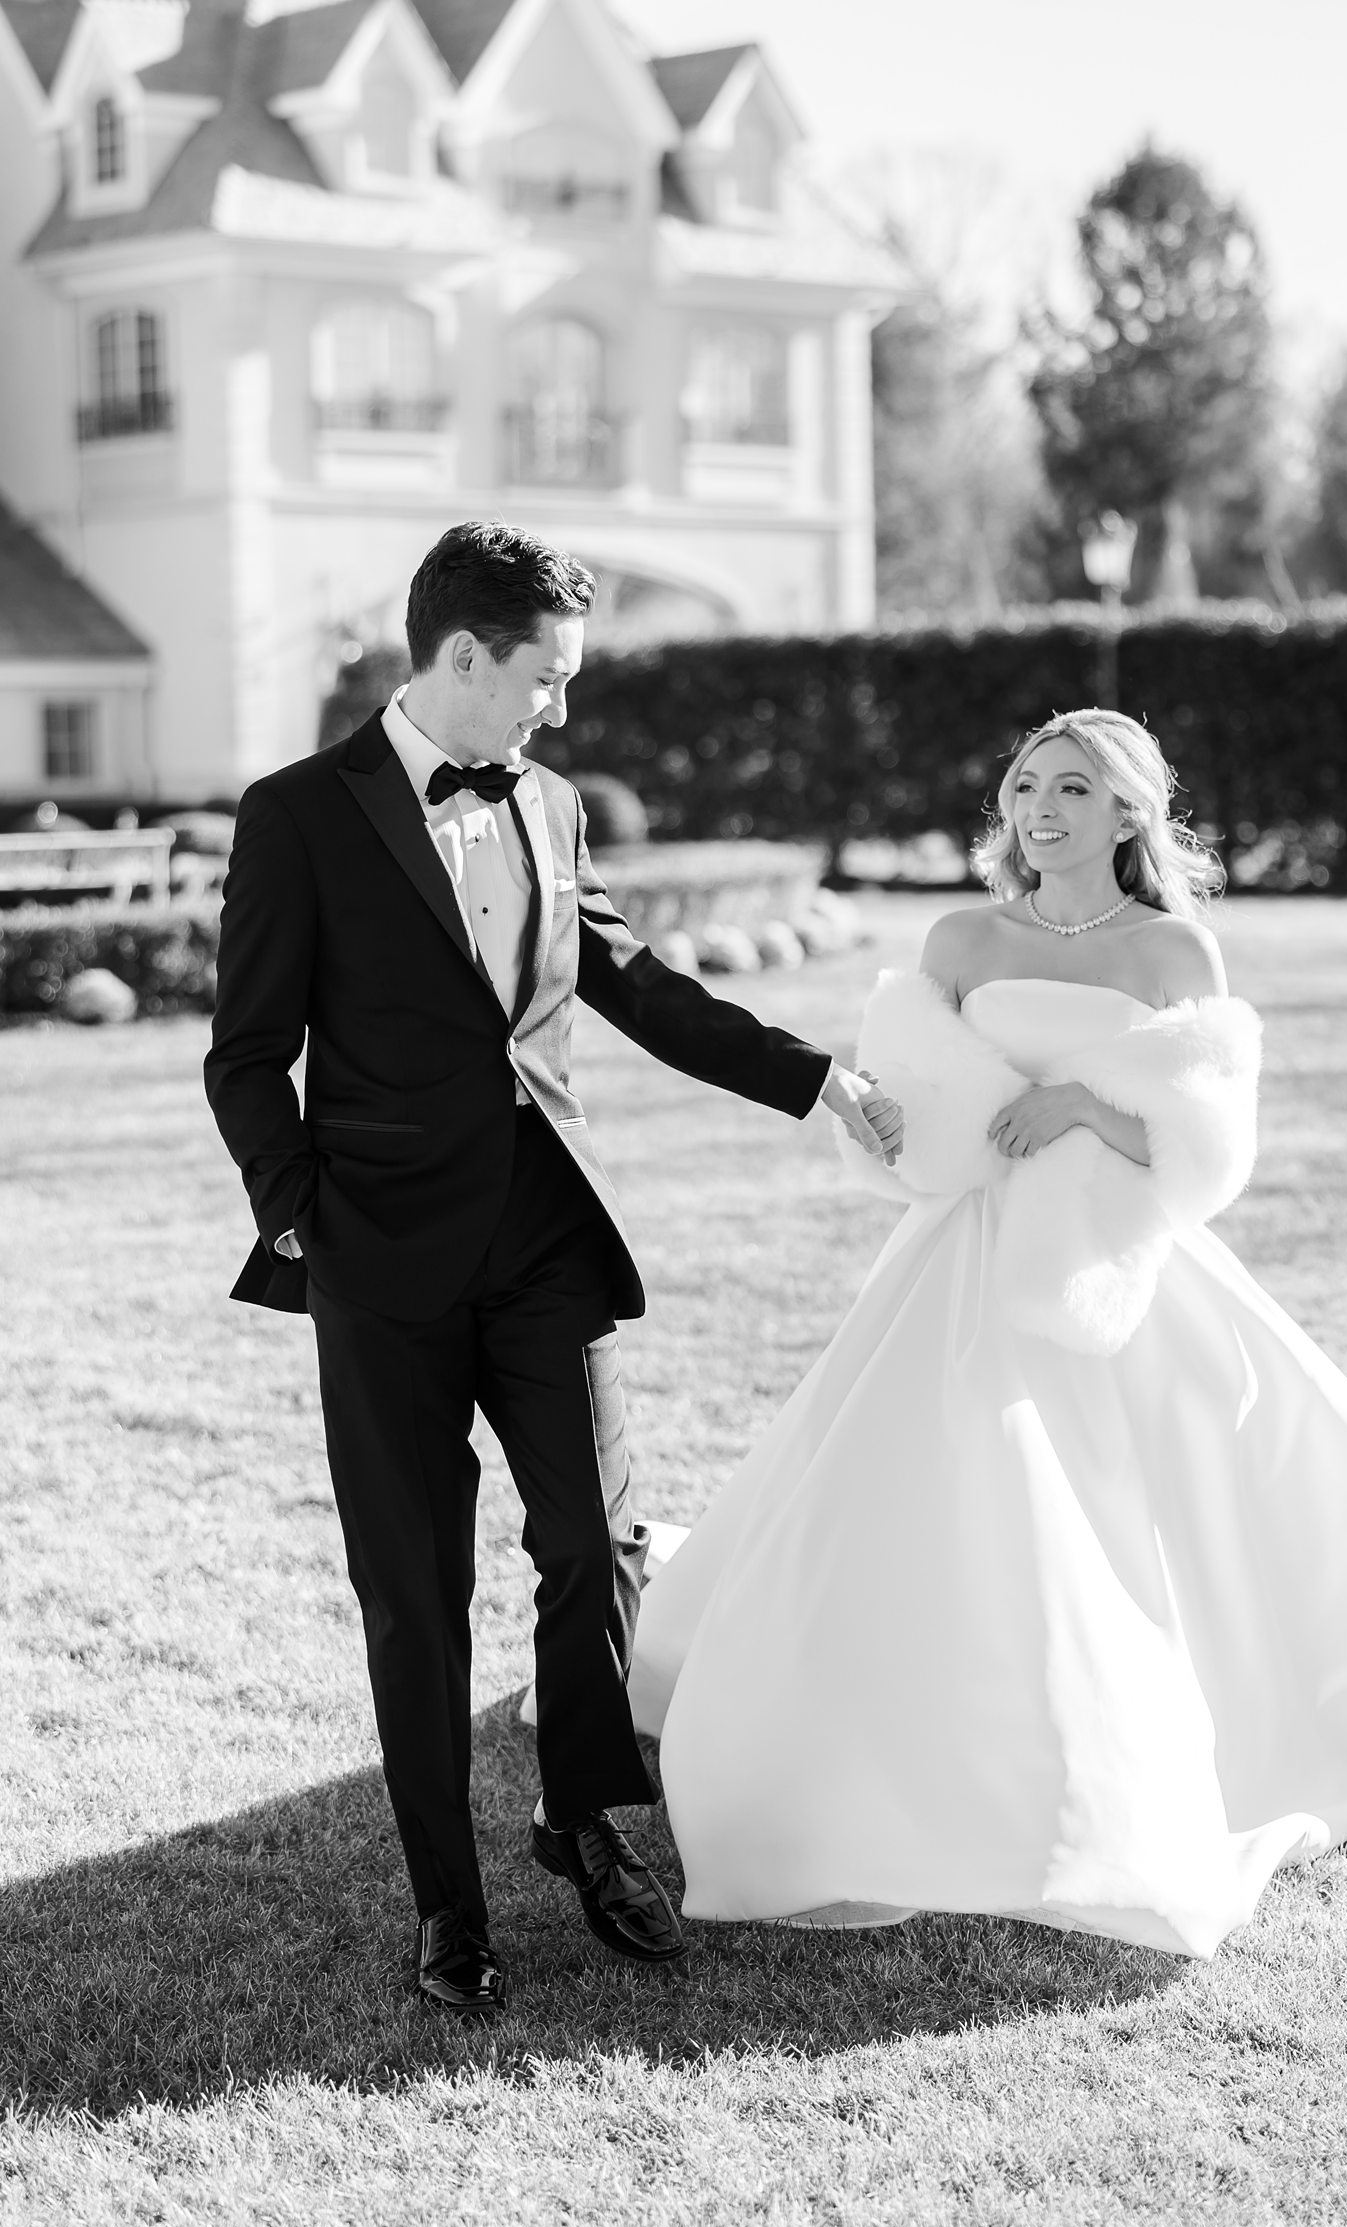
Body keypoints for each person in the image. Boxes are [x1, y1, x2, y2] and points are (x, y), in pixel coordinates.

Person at [630, 708, 1347, 1959]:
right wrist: (880, 1121)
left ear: (1127, 815)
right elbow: (908, 1117)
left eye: (1070, 789)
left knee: (1192, 1492)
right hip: (954, 1269)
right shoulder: (956, 936)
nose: (1038, 809)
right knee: (905, 1490)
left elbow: (1207, 1155)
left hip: (1118, 1272)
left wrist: (1085, 1107)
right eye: (1023, 786)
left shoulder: (1174, 955)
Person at [204, 521, 903, 2010]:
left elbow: (628, 979)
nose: (560, 710)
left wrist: (812, 1077)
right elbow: (248, 1056)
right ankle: (446, 1907)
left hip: (543, 1243)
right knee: (416, 1590)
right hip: (378, 1268)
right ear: (464, 657)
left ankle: (578, 1821)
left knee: (595, 1541)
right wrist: (302, 1214)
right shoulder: (296, 815)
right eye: (545, 678)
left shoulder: (555, 806)